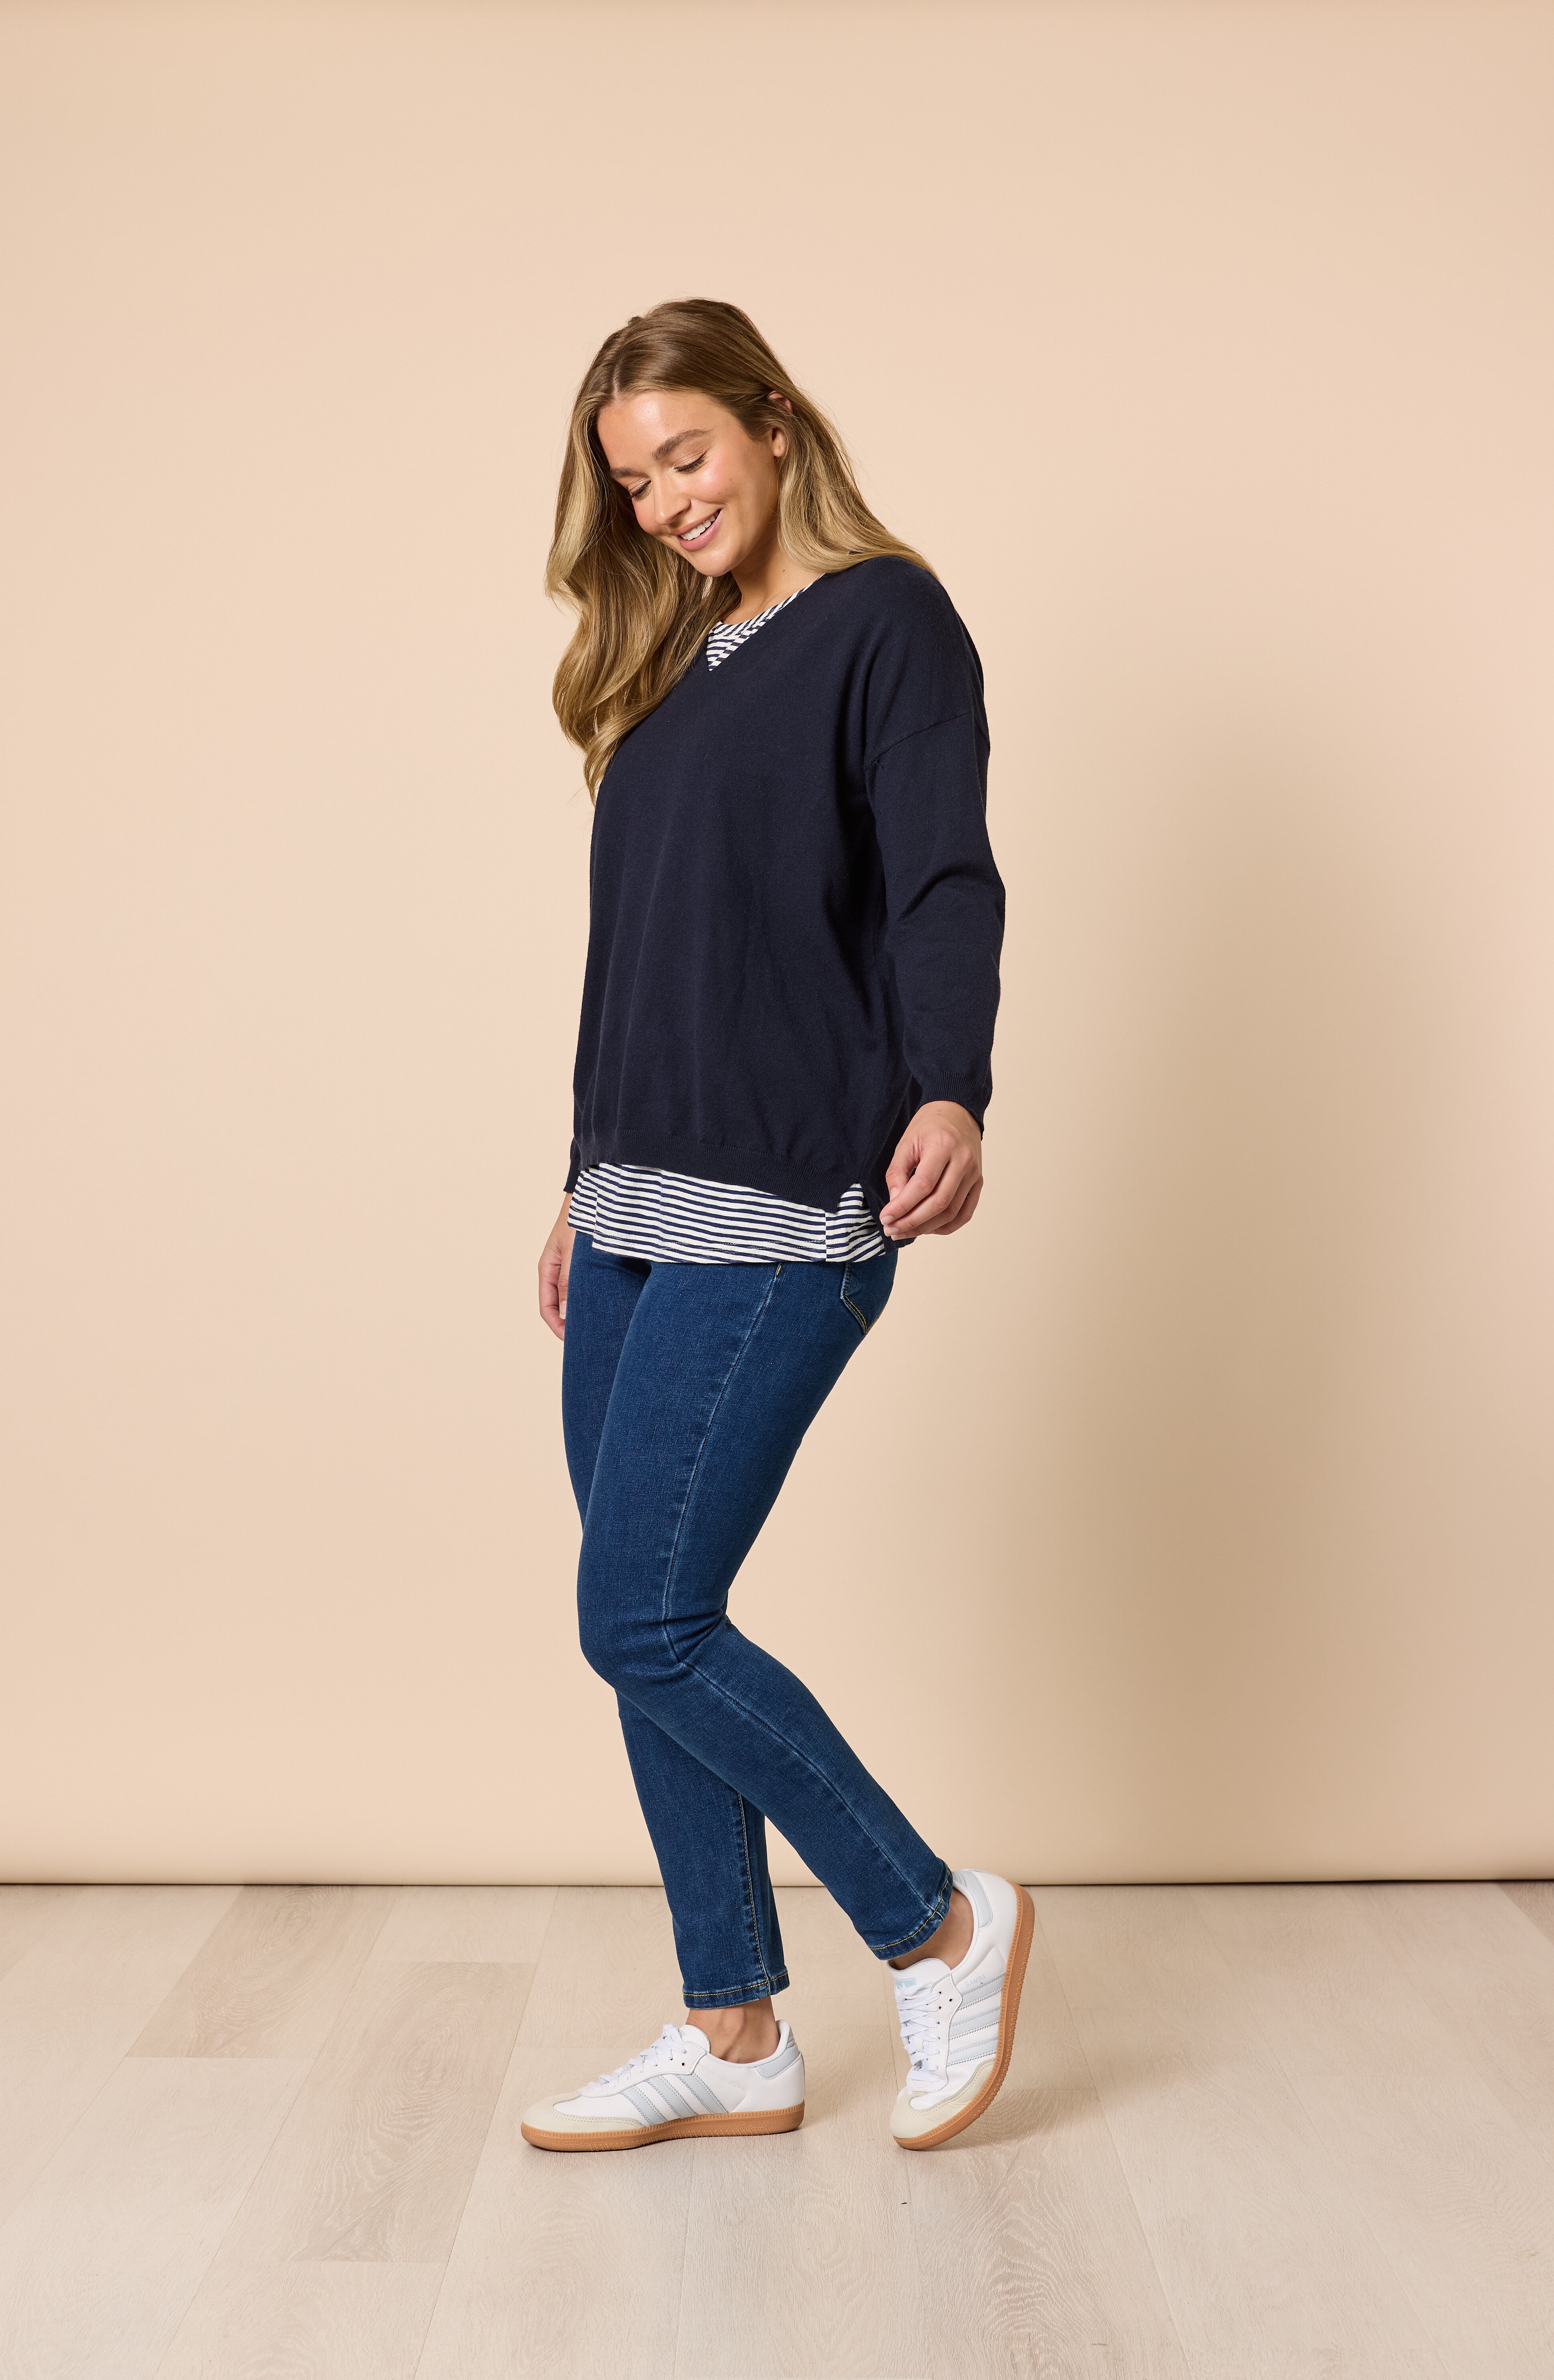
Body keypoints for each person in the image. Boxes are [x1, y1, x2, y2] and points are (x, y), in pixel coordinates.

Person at [524, 298, 1030, 2156]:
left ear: (773, 425)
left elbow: (941, 879)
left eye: (687, 455)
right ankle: (730, 2030)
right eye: (632, 480)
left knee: (642, 1616)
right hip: (635, 1197)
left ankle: (939, 1924)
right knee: (642, 1621)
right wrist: (579, 1175)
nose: (665, 500)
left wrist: (950, 1086)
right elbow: (647, 954)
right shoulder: (671, 672)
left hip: (785, 1191)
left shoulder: (885, 622)